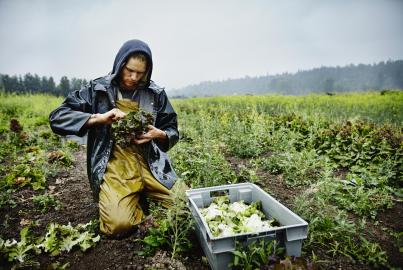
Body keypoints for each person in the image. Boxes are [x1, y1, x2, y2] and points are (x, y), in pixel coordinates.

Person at [49, 39, 179, 236]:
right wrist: (97, 118)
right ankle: (132, 200)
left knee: (186, 205)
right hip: (115, 165)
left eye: (140, 72)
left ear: (147, 71)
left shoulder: (155, 93)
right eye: (129, 70)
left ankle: (141, 193)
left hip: (151, 163)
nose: (134, 77)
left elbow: (172, 129)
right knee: (118, 225)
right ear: (120, 65)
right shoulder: (97, 90)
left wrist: (159, 134)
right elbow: (57, 117)